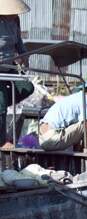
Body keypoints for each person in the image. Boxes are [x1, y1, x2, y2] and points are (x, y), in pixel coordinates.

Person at [39, 72, 87, 152]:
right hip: (51, 138)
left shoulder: (77, 97)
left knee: (86, 122)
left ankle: (79, 151)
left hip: (45, 138)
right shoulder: (86, 99)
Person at [0, 0, 34, 148]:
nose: (14, 14)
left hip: (11, 65)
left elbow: (19, 42)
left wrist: (25, 57)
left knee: (27, 87)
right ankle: (2, 140)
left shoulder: (16, 21)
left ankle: (1, 100)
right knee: (1, 105)